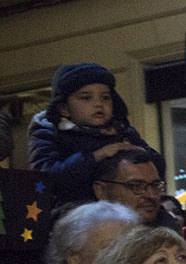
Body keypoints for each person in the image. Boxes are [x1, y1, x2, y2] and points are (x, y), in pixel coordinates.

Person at [27, 62, 163, 204]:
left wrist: (140, 151)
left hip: (129, 206)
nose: (98, 104)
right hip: (74, 210)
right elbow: (47, 178)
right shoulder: (48, 133)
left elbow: (158, 168)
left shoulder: (124, 132)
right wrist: (97, 155)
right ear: (64, 108)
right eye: (86, 98)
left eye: (105, 97)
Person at [94, 151, 179, 228]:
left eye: (155, 185)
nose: (151, 195)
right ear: (101, 191)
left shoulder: (168, 228)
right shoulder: (88, 238)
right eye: (136, 186)